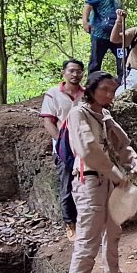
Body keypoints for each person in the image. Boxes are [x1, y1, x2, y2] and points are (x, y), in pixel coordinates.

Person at [64, 72, 137, 273]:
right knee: (87, 243)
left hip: (108, 181)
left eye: (113, 90)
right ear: (91, 89)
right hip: (89, 181)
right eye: (105, 90)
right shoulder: (78, 113)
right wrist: (116, 174)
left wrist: (135, 162)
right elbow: (89, 151)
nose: (110, 95)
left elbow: (123, 144)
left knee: (114, 228)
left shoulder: (105, 114)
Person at [39, 58, 84, 239]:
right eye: (71, 71)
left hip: (83, 148)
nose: (75, 75)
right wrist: (62, 142)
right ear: (64, 73)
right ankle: (70, 223)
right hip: (64, 150)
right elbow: (48, 121)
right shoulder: (52, 94)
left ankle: (86, 222)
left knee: (85, 185)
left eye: (79, 71)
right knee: (66, 186)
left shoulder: (86, 94)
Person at [82, 0, 121, 74]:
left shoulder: (116, 0)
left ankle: (122, 82)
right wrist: (85, 22)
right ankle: (92, 85)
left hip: (115, 36)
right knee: (95, 62)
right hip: (99, 34)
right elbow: (88, 6)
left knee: (122, 58)